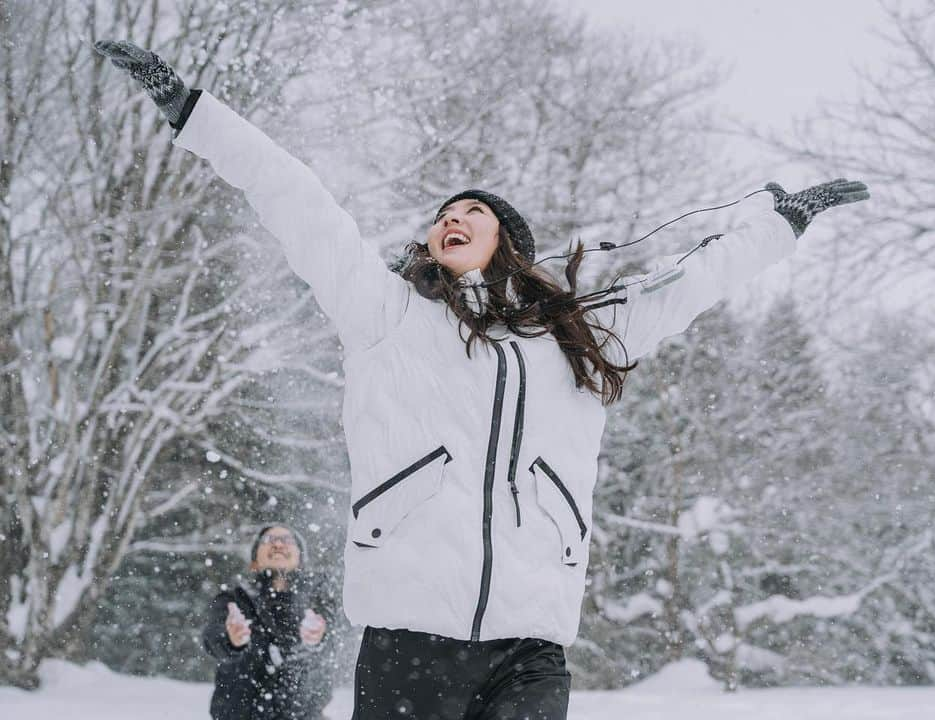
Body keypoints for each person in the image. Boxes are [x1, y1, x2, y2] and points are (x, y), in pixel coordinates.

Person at [95, 40, 868, 720]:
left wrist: (782, 221)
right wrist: (189, 109)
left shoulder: (575, 339)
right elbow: (298, 202)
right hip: (409, 635)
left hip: (529, 642)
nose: (450, 218)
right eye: (442, 214)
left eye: (472, 210)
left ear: (509, 243)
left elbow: (687, 283)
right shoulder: (387, 315)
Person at [203, 525, 335, 720]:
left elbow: (333, 641)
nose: (278, 544)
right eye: (269, 540)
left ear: (301, 560)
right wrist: (231, 640)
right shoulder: (234, 600)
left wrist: (320, 637)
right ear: (254, 562)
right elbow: (212, 639)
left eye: (287, 540)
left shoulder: (318, 603)